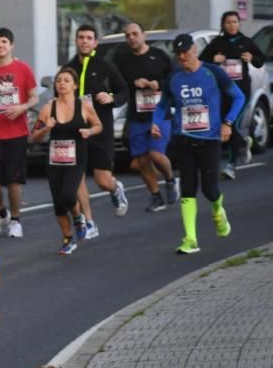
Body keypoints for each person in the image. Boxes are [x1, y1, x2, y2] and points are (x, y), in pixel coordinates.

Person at [154, 34, 244, 254]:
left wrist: (228, 123)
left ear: (194, 49)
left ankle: (217, 210)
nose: (183, 56)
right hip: (184, 138)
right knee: (187, 188)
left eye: (186, 51)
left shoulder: (213, 72)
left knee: (210, 190)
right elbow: (162, 106)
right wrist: (155, 123)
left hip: (210, 139)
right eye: (179, 53)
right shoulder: (174, 79)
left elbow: (239, 97)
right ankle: (190, 239)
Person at [66, 25, 130, 237]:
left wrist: (112, 98)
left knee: (102, 180)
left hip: (101, 130)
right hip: (76, 133)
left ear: (95, 42)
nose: (84, 41)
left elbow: (124, 90)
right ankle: (89, 221)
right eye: (81, 37)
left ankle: (115, 188)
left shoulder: (105, 67)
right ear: (76, 41)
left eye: (89, 38)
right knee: (77, 178)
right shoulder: (69, 69)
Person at [31, 68, 104, 255]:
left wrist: (89, 131)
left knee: (68, 195)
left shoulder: (84, 106)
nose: (62, 83)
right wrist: (46, 129)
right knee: (58, 203)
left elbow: (98, 125)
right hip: (54, 160)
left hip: (76, 159)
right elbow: (34, 136)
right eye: (59, 80)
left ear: (75, 85)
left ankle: (79, 217)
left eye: (66, 80)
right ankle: (68, 239)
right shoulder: (49, 108)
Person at [0, 28, 39, 238]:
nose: (0, 45)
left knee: (14, 180)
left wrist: (21, 108)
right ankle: (1, 213)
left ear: (11, 45)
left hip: (16, 132)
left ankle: (15, 220)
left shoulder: (23, 69)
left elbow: (34, 97)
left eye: (4, 41)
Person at [115, 22, 178, 211]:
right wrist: (133, 82)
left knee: (156, 154)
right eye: (128, 35)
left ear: (144, 35)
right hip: (137, 116)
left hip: (159, 115)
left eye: (135, 34)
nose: (131, 38)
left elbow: (174, 79)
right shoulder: (123, 61)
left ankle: (170, 179)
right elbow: (119, 85)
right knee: (142, 160)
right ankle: (155, 196)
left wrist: (158, 84)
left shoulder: (159, 56)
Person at [201, 10, 265, 179]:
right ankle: (243, 142)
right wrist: (213, 60)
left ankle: (231, 164)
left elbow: (260, 61)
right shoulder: (217, 43)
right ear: (223, 25)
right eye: (228, 22)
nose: (231, 25)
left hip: (241, 91)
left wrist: (251, 58)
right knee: (224, 124)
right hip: (222, 90)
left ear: (239, 24)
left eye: (234, 22)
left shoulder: (246, 42)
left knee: (232, 124)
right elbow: (201, 62)